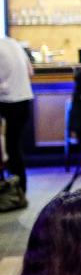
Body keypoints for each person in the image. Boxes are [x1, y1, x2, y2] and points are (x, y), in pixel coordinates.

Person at [0, 36, 33, 192]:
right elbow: (30, 71)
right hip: (25, 99)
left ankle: (13, 189)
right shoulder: (12, 42)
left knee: (11, 147)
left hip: (9, 101)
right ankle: (20, 187)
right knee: (14, 146)